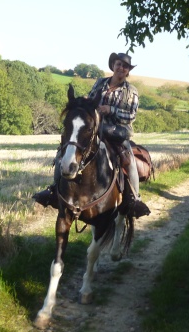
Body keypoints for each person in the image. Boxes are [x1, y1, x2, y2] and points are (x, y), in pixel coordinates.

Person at [33, 51, 150, 218]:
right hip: (96, 127)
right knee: (64, 150)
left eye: (125, 66)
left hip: (118, 129)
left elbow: (131, 115)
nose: (121, 68)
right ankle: (54, 190)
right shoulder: (101, 83)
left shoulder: (131, 91)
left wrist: (111, 110)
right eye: (118, 64)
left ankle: (134, 199)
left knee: (128, 159)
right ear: (113, 66)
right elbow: (93, 100)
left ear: (128, 71)